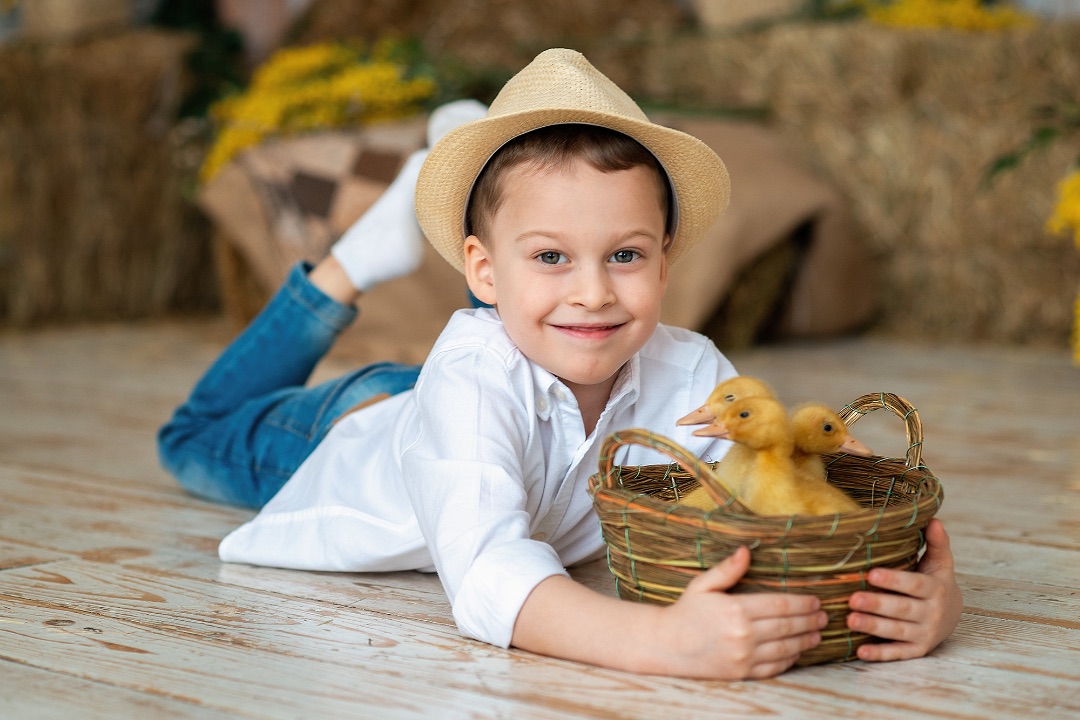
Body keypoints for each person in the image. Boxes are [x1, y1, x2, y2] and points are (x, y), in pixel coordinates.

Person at [159, 49, 962, 680]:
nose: (595, 292)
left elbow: (803, 478)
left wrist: (929, 588)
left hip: (493, 393)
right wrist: (660, 641)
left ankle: (474, 220)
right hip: (354, 432)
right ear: (480, 272)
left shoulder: (692, 372)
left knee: (535, 339)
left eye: (625, 255)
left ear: (666, 262)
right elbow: (486, 574)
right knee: (193, 435)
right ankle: (352, 263)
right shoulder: (467, 385)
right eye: (551, 255)